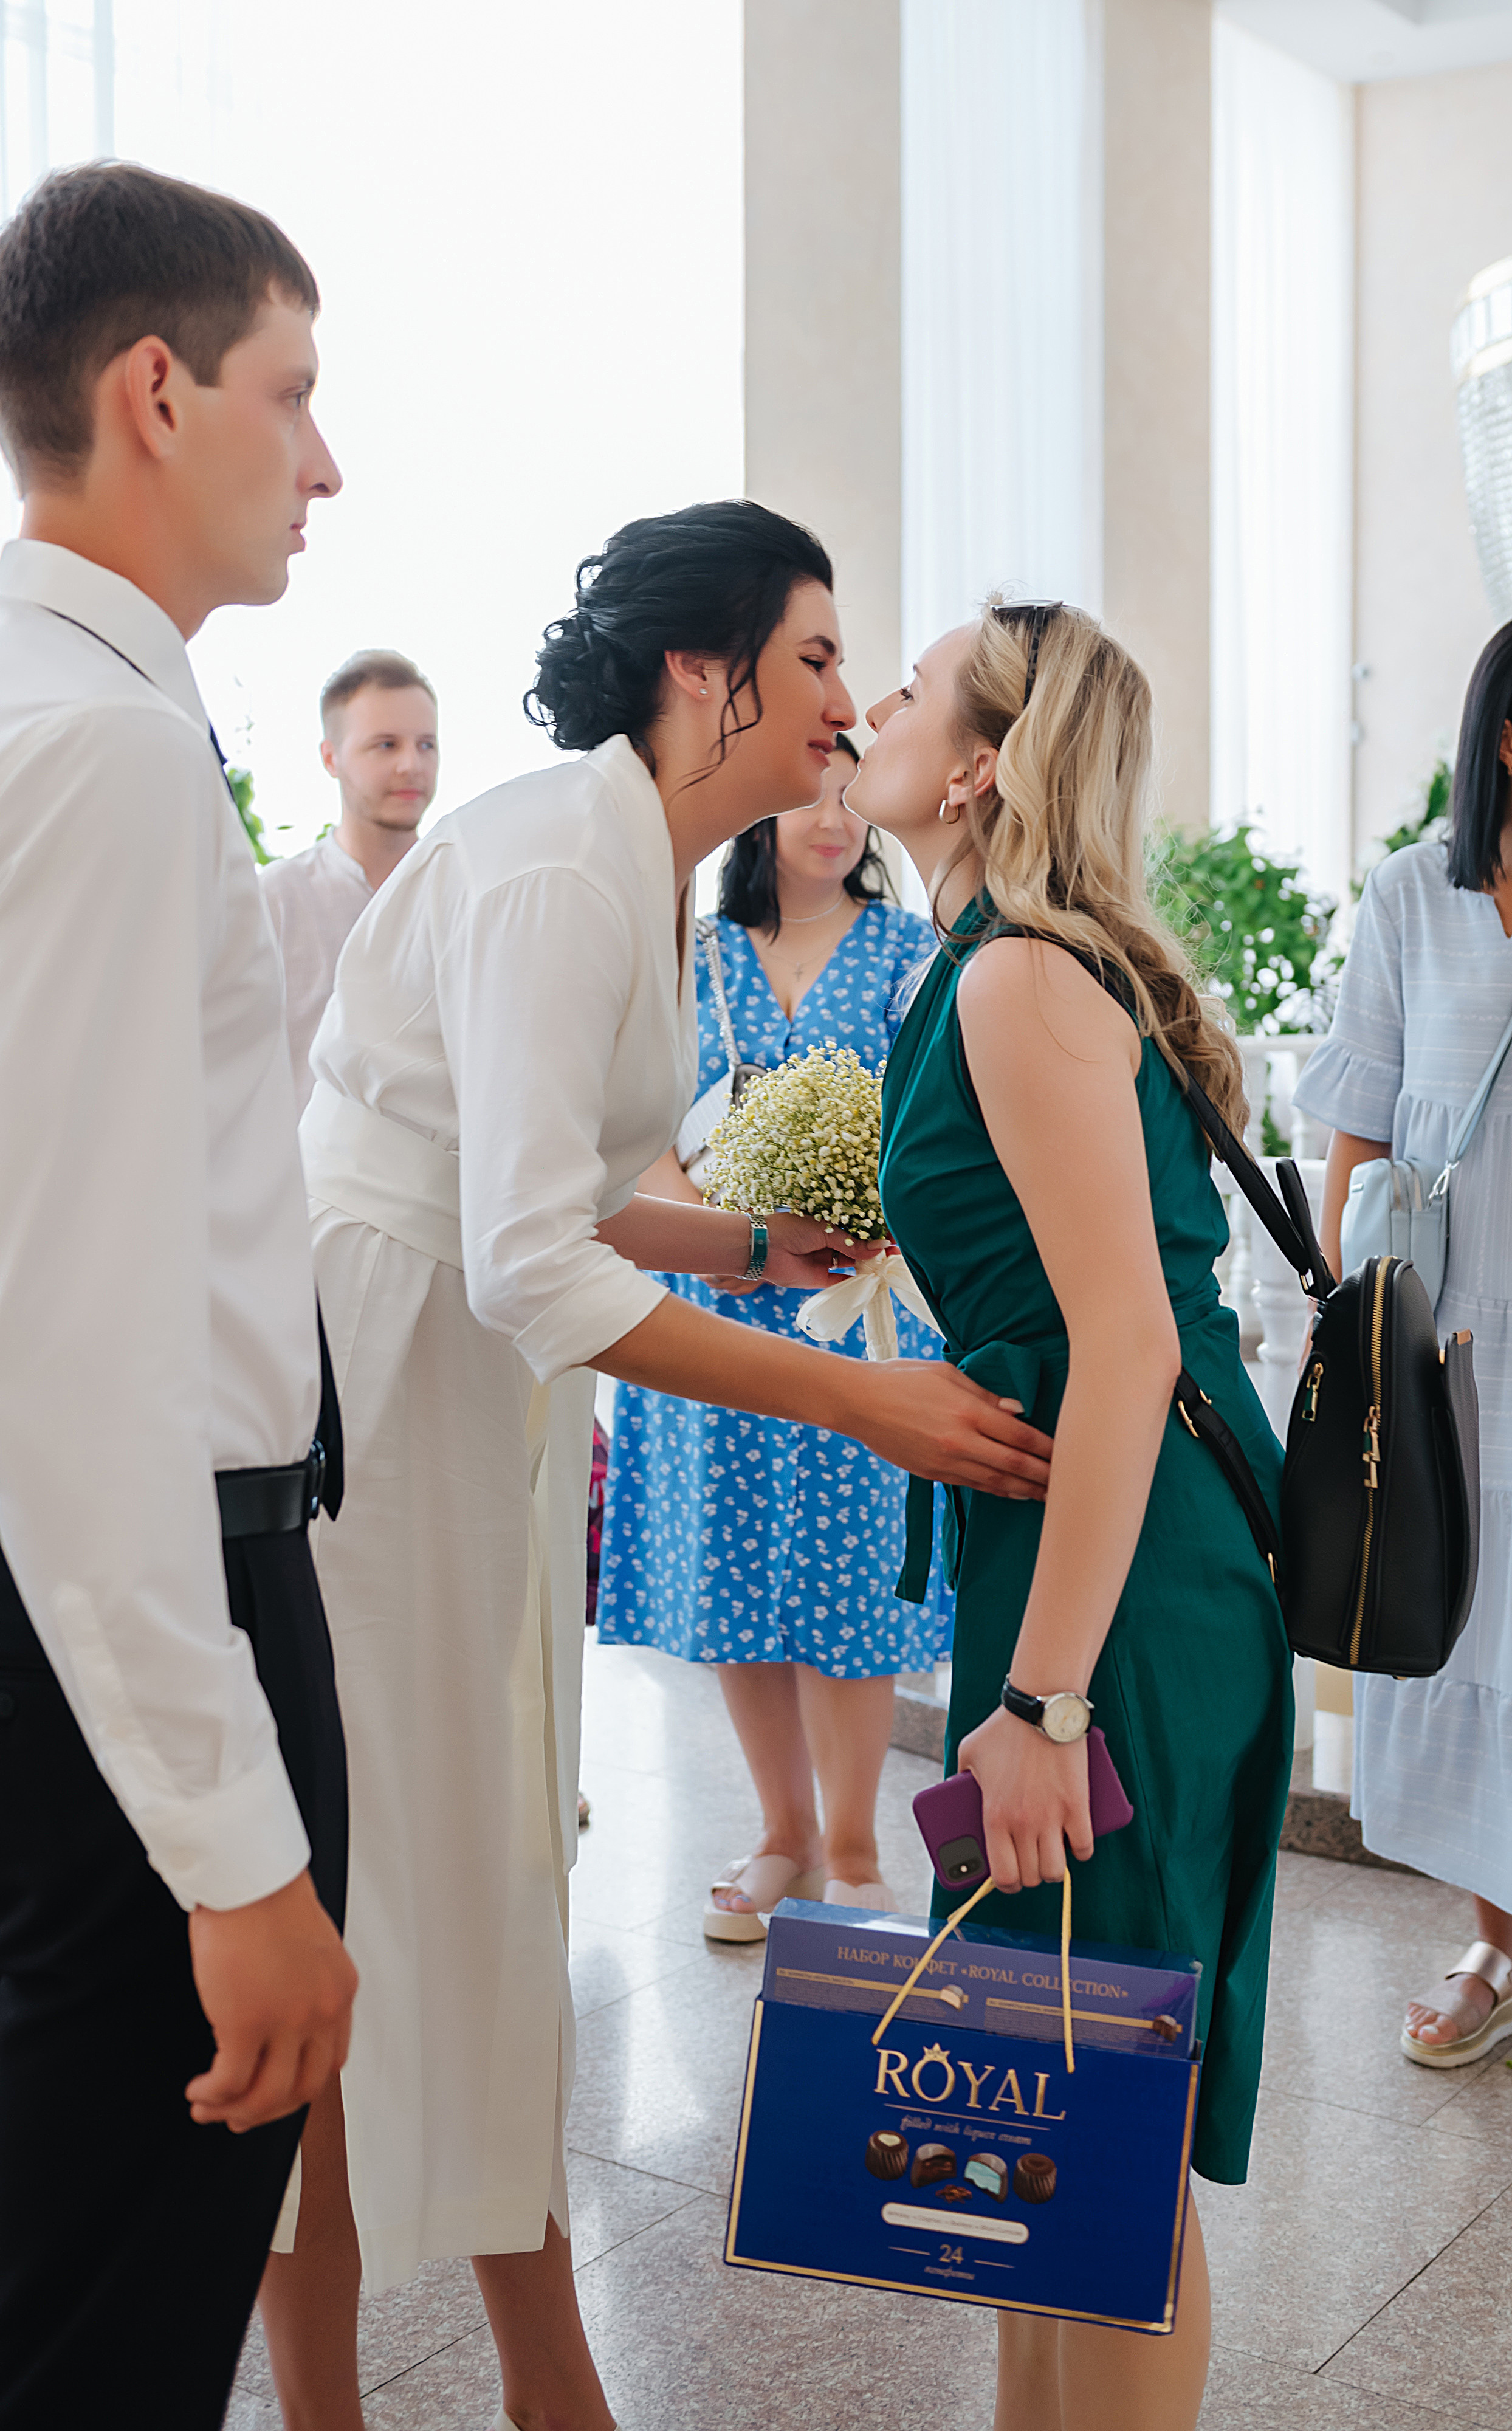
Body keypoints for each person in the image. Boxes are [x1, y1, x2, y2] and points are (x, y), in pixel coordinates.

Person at [265, 501, 1055, 2431]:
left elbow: (551, 1196)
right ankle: (388, 2394)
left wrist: (746, 1250)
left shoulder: (617, 854)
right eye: (809, 656)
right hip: (386, 1379)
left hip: (465, 1364)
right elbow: (526, 1248)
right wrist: (856, 1396)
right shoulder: (559, 870)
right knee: (393, 1880)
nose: (838, 697)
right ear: (703, 676)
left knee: (481, 1871)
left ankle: (548, 2380)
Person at [844, 598, 1293, 2431]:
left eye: (909, 676)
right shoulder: (1002, 959)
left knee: (1095, 2130)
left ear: (975, 764)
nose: (867, 693)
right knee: (1039, 2096)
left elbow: (1120, 1343)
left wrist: (1042, 1706)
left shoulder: (1020, 975)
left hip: (1115, 1598)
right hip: (1092, 1560)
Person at [0, 163, 356, 2431]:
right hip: (156, 1605)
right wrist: (232, 1854)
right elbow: (79, 1343)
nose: (327, 461)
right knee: (113, 2293)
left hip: (102, 1622)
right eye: (294, 393)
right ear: (156, 389)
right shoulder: (106, 748)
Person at [598, 733, 952, 1934]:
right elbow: (631, 1120)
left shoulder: (915, 956)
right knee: (730, 1568)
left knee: (852, 1579)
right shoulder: (690, 954)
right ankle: (779, 1836)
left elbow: (931, 1123)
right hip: (707, 1305)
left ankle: (853, 1845)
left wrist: (845, 1223)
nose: (834, 812)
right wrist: (724, 1238)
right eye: (812, 786)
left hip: (858, 1308)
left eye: (856, 791)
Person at [1294, 621, 1512, 2068]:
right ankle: (1494, 1939)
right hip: (1454, 1353)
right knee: (1468, 1629)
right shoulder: (1411, 897)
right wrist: (1345, 1327)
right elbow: (1357, 1132)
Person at [263, 648, 439, 1112]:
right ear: (330, 758)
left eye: (426, 744)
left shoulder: (463, 893)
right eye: (386, 744)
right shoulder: (279, 898)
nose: (411, 765)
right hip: (303, 1176)